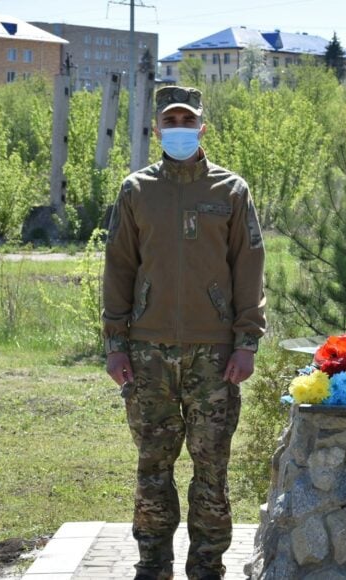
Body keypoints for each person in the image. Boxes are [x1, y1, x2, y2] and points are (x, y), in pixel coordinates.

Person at [102, 85, 266, 580]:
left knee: (211, 467)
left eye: (187, 120)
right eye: (170, 121)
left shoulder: (231, 191)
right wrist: (115, 344)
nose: (179, 129)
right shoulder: (136, 191)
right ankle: (152, 566)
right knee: (153, 465)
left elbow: (250, 268)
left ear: (202, 127)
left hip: (214, 355)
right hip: (147, 351)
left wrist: (246, 342)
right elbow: (119, 267)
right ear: (157, 130)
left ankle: (207, 567)